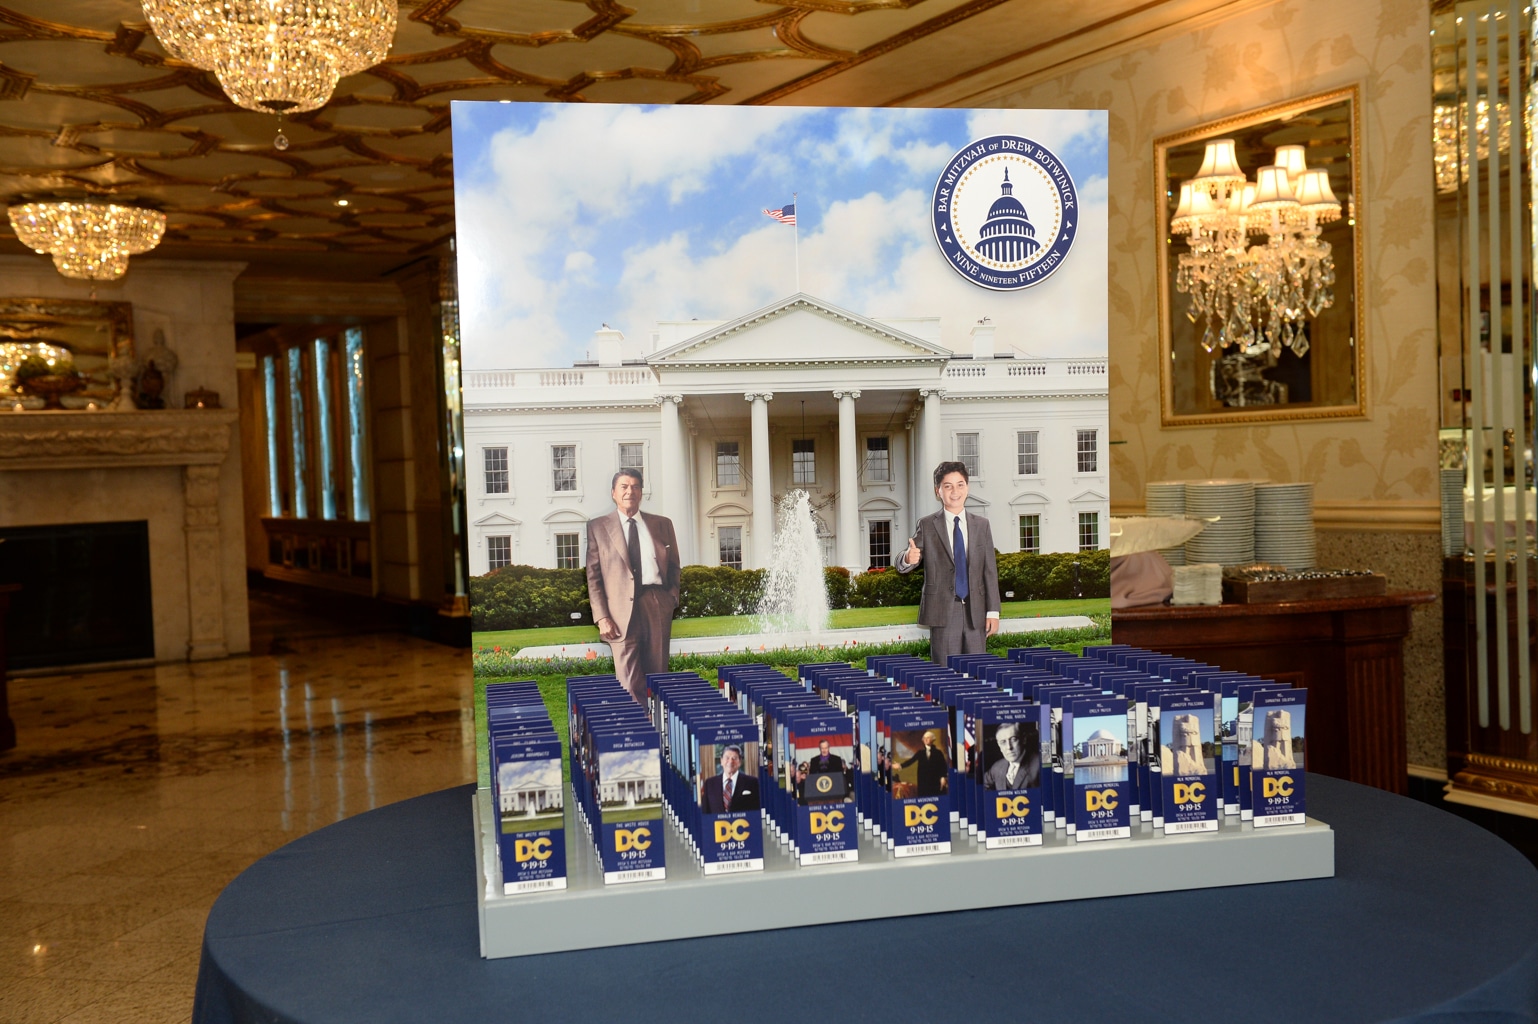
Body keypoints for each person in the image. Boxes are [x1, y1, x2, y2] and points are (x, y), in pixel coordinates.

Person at [585, 468, 681, 704]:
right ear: (613, 493)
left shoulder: (662, 524)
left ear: (641, 493)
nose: (630, 491)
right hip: (618, 613)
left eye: (636, 487)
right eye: (624, 487)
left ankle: (660, 731)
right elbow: (593, 576)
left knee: (658, 677)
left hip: (656, 603)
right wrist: (601, 617)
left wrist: (671, 600)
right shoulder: (598, 527)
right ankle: (639, 735)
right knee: (628, 681)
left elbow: (675, 567)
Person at [897, 460, 1001, 665]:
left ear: (967, 487)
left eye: (960, 484)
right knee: (945, 674)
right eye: (948, 486)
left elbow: (990, 571)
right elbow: (905, 558)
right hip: (943, 612)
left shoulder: (982, 526)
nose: (955, 491)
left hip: (976, 612)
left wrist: (993, 611)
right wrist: (908, 558)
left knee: (977, 674)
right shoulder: (927, 525)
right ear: (938, 491)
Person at [701, 745, 760, 813]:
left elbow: (756, 809)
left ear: (740, 762)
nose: (730, 761)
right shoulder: (709, 783)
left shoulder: (752, 782)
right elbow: (705, 812)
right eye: (727, 758)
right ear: (721, 761)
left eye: (734, 758)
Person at [984, 721, 1040, 791]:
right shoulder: (997, 767)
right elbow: (982, 787)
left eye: (1013, 739)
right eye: (1003, 742)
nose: (1009, 747)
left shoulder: (1039, 766)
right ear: (999, 746)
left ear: (1023, 739)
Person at [895, 729, 949, 796]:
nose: (926, 740)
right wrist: (900, 765)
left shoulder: (938, 753)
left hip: (935, 782)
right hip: (924, 783)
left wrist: (943, 777)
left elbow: (943, 765)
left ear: (932, 739)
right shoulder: (920, 753)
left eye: (928, 738)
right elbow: (911, 761)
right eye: (925, 738)